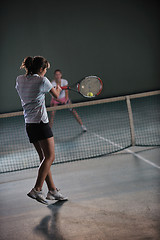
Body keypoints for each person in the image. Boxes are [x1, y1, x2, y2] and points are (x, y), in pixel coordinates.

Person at [15, 56, 67, 204]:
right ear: (41, 69)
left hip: (29, 125)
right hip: (41, 123)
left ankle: (52, 190)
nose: (45, 73)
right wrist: (57, 87)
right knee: (50, 157)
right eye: (45, 70)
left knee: (43, 158)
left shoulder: (19, 79)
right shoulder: (42, 80)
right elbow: (57, 96)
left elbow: (30, 90)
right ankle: (37, 189)